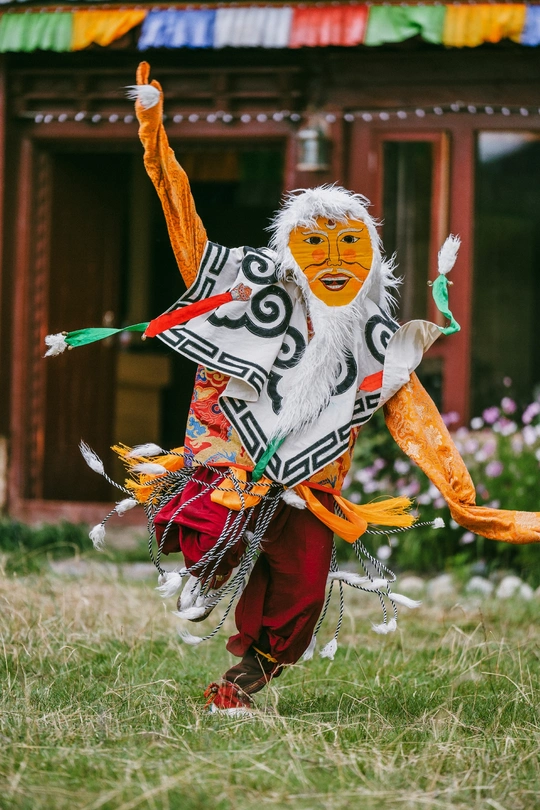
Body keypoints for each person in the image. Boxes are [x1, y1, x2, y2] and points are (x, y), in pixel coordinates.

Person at [46, 62, 540, 715]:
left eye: (348, 245)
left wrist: (470, 505)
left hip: (311, 489)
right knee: (212, 521)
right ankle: (208, 569)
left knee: (301, 596)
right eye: (316, 245)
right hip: (232, 466)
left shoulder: (375, 342)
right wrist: (155, 141)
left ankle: (241, 685)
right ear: (289, 252)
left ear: (371, 259)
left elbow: (417, 422)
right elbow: (184, 223)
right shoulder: (251, 297)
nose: (333, 260)